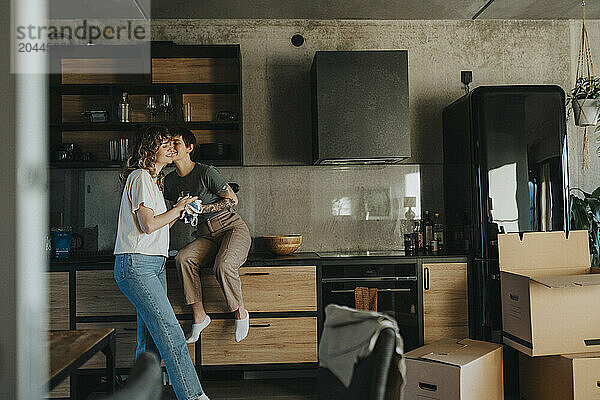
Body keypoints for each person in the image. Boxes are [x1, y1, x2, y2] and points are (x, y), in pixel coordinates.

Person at [113, 126, 210, 400]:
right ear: (148, 149)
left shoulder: (153, 181)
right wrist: (178, 209)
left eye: (171, 143)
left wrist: (179, 209)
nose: (170, 148)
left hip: (152, 265)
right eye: (163, 144)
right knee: (170, 332)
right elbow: (148, 225)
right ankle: (193, 396)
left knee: (151, 343)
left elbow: (156, 222)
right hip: (137, 265)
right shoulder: (141, 177)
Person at [164, 127, 251, 344]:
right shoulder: (170, 182)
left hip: (231, 228)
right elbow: (171, 211)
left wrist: (202, 209)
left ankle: (240, 311)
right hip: (205, 236)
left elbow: (232, 200)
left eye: (177, 143)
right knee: (183, 259)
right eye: (169, 143)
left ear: (189, 148)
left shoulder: (205, 172)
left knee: (223, 264)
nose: (172, 147)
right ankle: (200, 317)